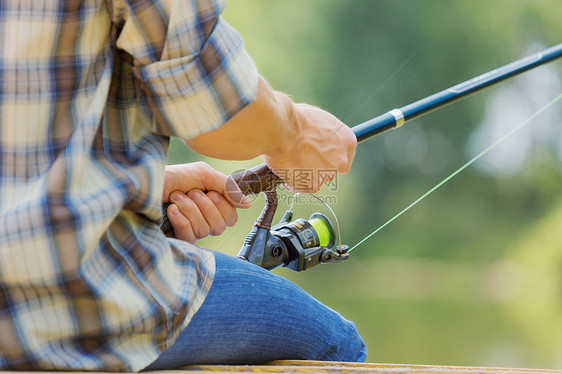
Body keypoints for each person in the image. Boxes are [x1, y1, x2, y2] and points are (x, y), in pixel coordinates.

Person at [0, 0, 365, 371]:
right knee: (340, 344)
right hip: (76, 298)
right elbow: (216, 109)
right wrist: (294, 131)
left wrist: (144, 186)